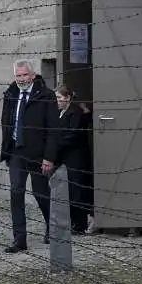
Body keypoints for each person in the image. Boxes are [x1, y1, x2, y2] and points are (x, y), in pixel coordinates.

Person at [0, 59, 59, 253]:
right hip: (16, 151)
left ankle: (52, 226)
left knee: (40, 192)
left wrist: (49, 157)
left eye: (25, 75)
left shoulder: (46, 95)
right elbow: (5, 121)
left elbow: (53, 129)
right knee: (16, 192)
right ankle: (19, 239)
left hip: (37, 152)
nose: (22, 79)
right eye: (18, 75)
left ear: (33, 75)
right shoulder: (10, 94)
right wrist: (6, 148)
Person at [55, 85, 93, 234]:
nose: (56, 101)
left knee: (77, 190)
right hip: (65, 156)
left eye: (59, 98)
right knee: (67, 190)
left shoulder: (75, 113)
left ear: (67, 98)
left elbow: (73, 135)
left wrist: (55, 145)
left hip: (76, 157)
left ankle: (79, 224)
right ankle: (72, 222)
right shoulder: (60, 112)